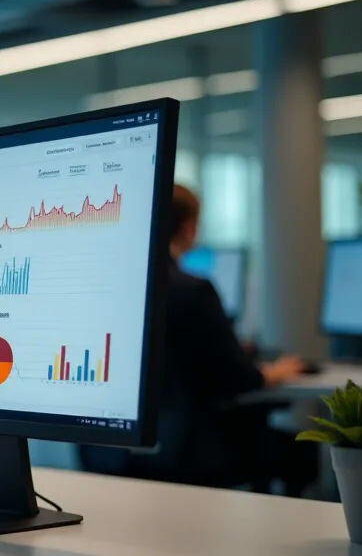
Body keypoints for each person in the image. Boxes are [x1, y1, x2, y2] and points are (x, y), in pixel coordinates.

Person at [81, 184, 314, 494]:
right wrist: (275, 372)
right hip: (187, 450)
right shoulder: (192, 290)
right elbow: (237, 377)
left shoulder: (103, 286)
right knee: (299, 449)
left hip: (108, 449)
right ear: (189, 228)